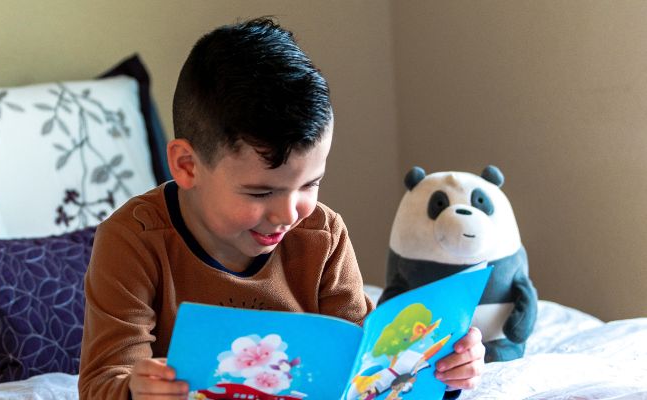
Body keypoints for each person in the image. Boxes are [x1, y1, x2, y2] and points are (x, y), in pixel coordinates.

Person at [79, 17, 484, 400]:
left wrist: (443, 369)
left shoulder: (322, 236)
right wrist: (136, 389)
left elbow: (365, 364)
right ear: (187, 166)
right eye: (260, 192)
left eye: (310, 184)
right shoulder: (133, 241)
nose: (289, 214)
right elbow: (102, 379)